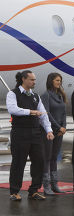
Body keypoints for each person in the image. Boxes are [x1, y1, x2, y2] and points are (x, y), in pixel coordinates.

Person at [7, 70, 54, 201]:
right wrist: (30, 112)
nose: (34, 82)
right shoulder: (13, 93)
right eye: (31, 80)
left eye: (34, 80)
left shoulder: (35, 96)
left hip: (35, 133)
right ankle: (14, 192)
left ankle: (34, 190)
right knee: (18, 163)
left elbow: (43, 114)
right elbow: (12, 109)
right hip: (20, 132)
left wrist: (49, 130)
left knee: (39, 161)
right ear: (24, 79)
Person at [40, 73, 67, 195]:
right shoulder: (46, 95)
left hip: (60, 131)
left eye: (60, 80)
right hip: (49, 131)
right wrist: (58, 127)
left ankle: (54, 184)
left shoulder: (60, 95)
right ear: (51, 81)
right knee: (47, 156)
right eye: (57, 80)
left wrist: (64, 127)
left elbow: (63, 113)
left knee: (54, 157)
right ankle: (46, 185)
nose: (59, 82)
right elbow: (47, 113)